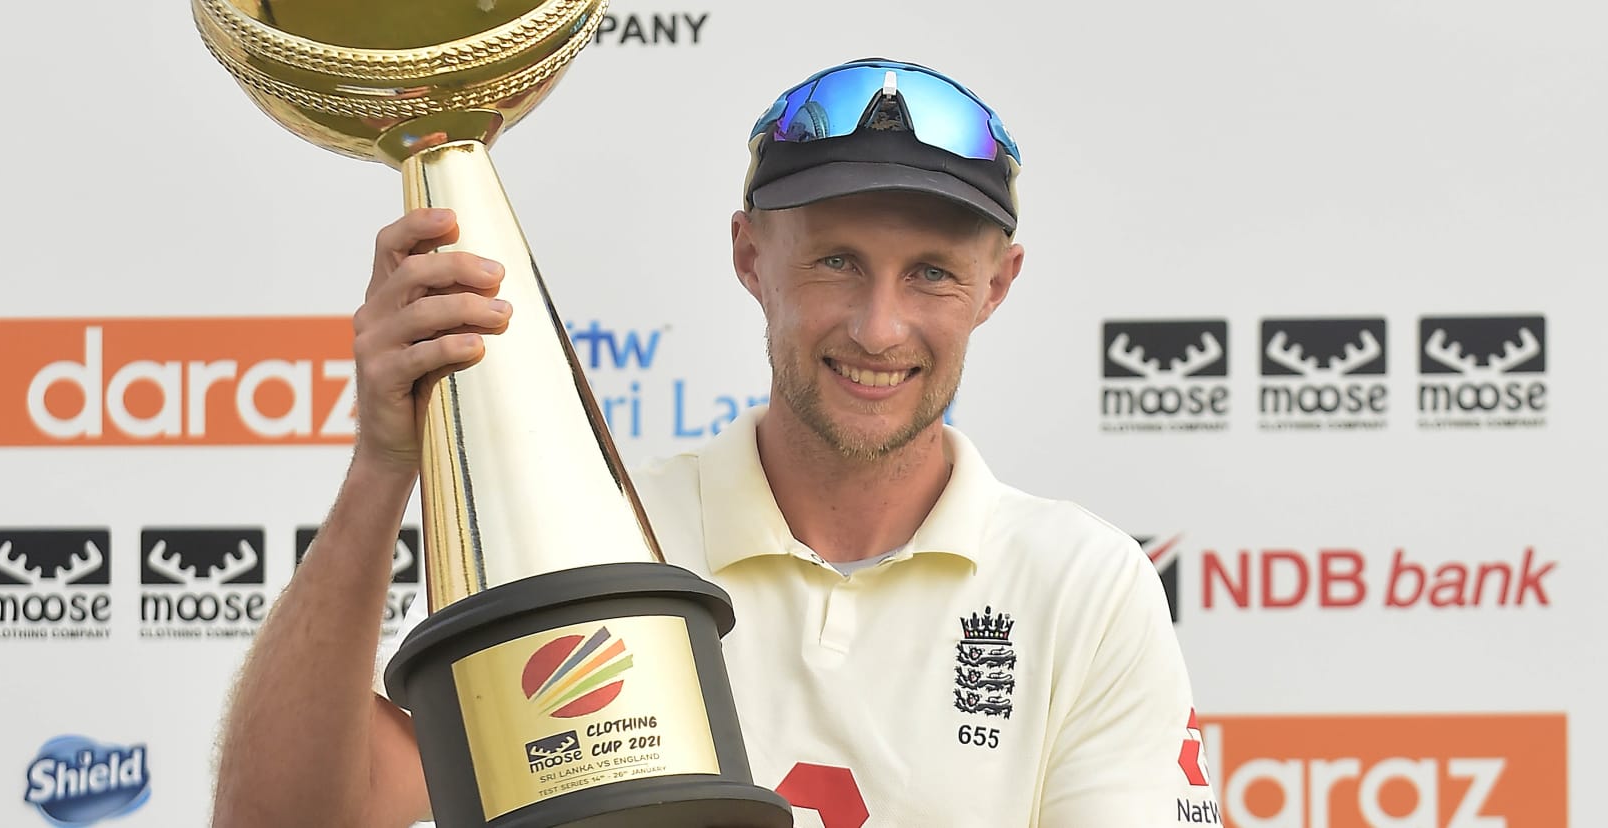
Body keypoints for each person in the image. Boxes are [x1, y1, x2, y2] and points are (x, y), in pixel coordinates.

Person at [211, 58, 1219, 827]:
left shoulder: (1082, 584)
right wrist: (385, 463)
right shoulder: (599, 543)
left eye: (932, 274)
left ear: (996, 287)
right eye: (835, 261)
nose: (877, 327)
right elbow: (287, 816)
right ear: (749, 256)